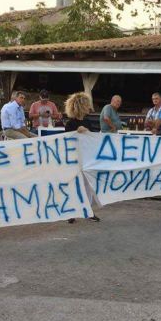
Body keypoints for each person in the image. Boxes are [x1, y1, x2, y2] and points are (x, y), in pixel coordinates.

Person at [64, 92, 101, 223]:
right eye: (86, 104)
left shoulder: (87, 122)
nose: (88, 107)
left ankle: (87, 210)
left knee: (87, 185)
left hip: (86, 158)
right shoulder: (70, 123)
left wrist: (87, 131)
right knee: (74, 185)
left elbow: (92, 138)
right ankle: (72, 211)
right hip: (74, 158)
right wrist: (76, 132)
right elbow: (66, 140)